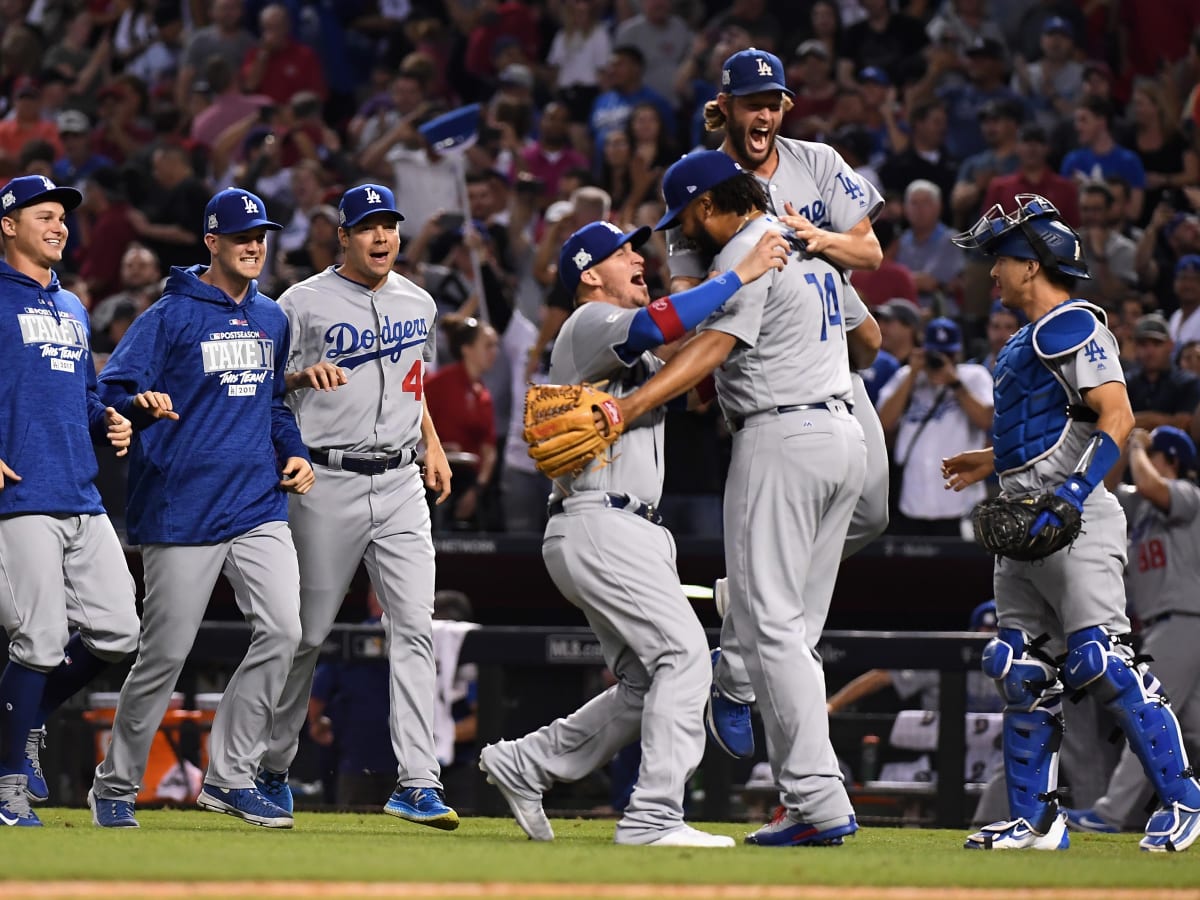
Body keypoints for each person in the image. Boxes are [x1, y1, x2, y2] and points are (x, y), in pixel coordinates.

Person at [480, 217, 791, 848]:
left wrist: (735, 306)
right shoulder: (589, 321)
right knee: (682, 659)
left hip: (613, 527)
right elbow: (660, 324)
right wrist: (742, 273)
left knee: (647, 681)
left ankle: (527, 763)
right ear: (589, 274)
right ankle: (653, 815)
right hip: (603, 521)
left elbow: (690, 379)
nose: (636, 258)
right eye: (621, 252)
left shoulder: (624, 345)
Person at [611, 151, 874, 846]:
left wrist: (629, 405)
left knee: (772, 627)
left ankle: (819, 801)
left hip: (781, 434)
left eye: (683, 219)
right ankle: (804, 798)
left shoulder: (743, 249)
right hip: (844, 432)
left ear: (704, 207)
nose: (683, 234)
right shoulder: (803, 234)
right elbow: (868, 337)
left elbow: (712, 348)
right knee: (795, 634)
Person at [943, 193, 1200, 852]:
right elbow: (1053, 429)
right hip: (1025, 517)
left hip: (1078, 517)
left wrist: (1074, 494)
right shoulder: (1017, 343)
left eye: (999, 260)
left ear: (1031, 262)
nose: (990, 273)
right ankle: (1036, 822)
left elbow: (1115, 415)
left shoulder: (1074, 324)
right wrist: (990, 459)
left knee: (1102, 662)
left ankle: (1184, 801)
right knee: (1017, 665)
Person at [666, 47, 888, 771]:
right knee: (787, 591)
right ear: (725, 107)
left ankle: (760, 594)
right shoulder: (700, 188)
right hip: (768, 365)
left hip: (826, 358)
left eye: (774, 101)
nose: (764, 112)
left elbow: (871, 253)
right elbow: (688, 301)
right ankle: (738, 676)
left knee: (870, 511)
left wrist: (817, 239)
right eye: (752, 101)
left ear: (785, 108)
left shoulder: (816, 162)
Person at [89, 188, 314, 830]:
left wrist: (293, 453)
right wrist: (141, 406)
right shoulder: (169, 316)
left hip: (256, 502)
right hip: (180, 506)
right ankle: (115, 783)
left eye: (262, 234)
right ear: (211, 242)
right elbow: (112, 389)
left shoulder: (273, 316)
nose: (254, 245)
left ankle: (230, 776)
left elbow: (274, 405)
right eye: (242, 235)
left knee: (285, 631)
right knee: (164, 653)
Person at [257, 184, 458, 831]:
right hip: (327, 479)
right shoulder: (302, 303)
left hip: (401, 483)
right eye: (368, 227)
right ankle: (272, 765)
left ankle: (418, 782)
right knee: (306, 633)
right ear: (341, 236)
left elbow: (411, 381)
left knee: (415, 629)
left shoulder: (418, 301)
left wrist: (433, 444)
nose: (381, 238)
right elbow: (267, 388)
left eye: (389, 226)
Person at [0, 175, 140, 827]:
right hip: (19, 494)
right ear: (8, 225)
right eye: (45, 215)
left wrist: (109, 417)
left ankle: (25, 721)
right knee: (38, 640)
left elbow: (84, 396)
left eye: (63, 217)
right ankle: (4, 784)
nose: (60, 226)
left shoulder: (75, 306)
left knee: (118, 631)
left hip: (80, 492)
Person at [1064, 427, 1200, 833]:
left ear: (1172, 459)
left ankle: (1109, 814)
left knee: (1147, 710)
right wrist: (1119, 443)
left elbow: (1152, 484)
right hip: (1167, 624)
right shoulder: (1138, 506)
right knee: (1190, 726)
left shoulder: (1188, 493)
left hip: (1183, 619)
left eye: (1155, 453)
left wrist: (1138, 442)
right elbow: (1102, 488)